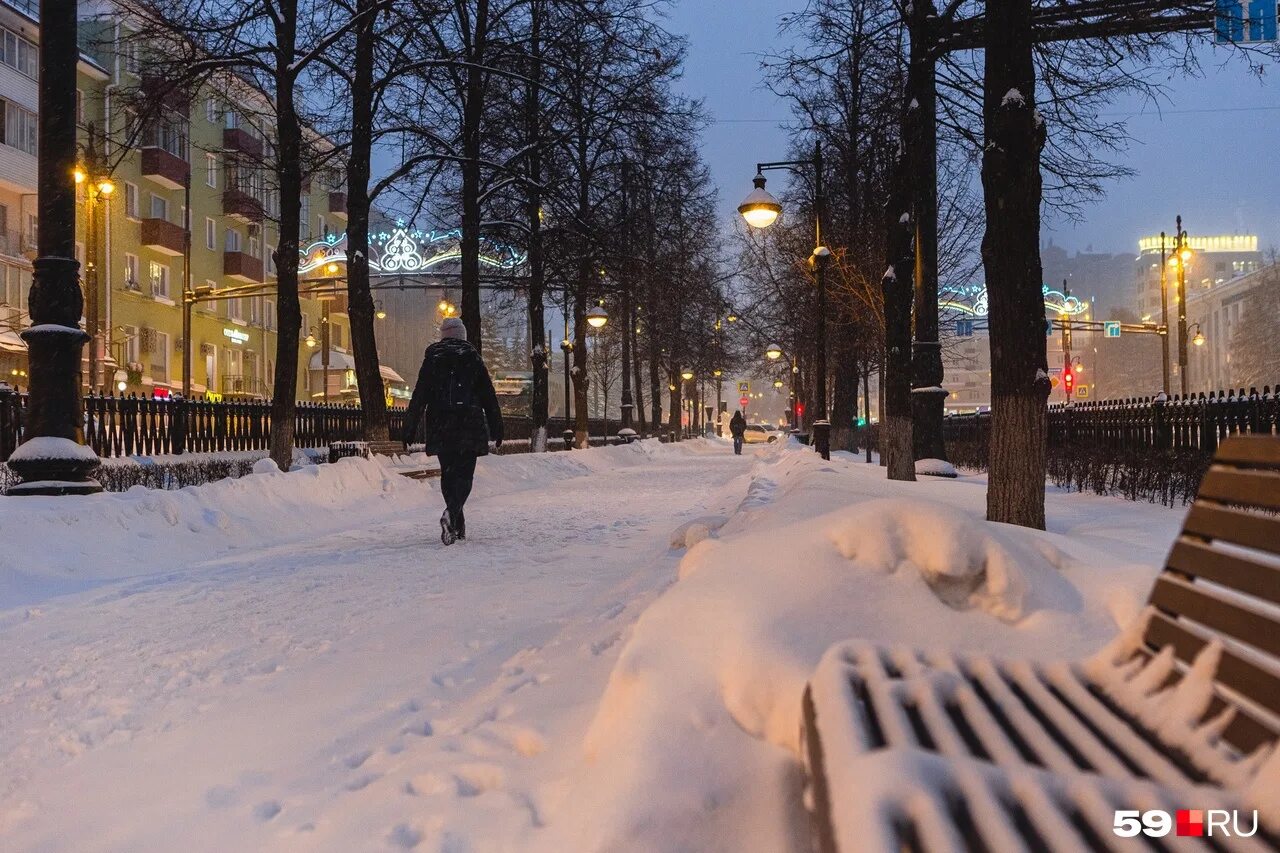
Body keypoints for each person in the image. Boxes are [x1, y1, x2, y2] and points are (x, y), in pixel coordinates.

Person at [402, 317, 504, 545]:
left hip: (441, 425)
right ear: (462, 336)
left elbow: (420, 395)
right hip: (469, 424)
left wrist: (409, 428)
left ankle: (456, 523)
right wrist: (497, 426)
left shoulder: (433, 360)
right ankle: (452, 513)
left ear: (443, 336)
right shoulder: (472, 358)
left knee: (449, 475)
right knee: (465, 475)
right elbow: (488, 395)